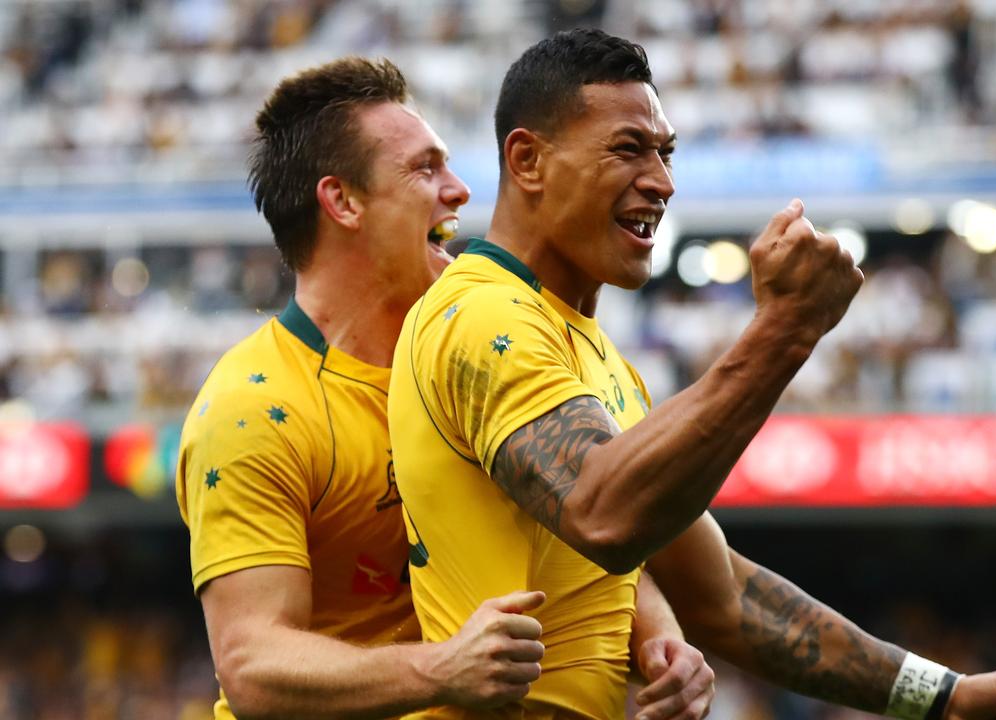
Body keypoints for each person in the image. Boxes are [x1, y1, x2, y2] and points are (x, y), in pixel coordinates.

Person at [388, 28, 996, 720]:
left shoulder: (600, 360)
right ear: (528, 160)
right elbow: (604, 515)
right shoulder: (480, 315)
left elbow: (725, 598)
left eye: (666, 153)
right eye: (629, 149)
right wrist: (784, 331)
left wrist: (943, 698)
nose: (662, 181)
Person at [175, 56, 713, 720]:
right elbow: (253, 665)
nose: (459, 190)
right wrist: (438, 670)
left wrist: (655, 634)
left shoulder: (482, 355)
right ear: (342, 200)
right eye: (425, 169)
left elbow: (576, 534)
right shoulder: (255, 405)